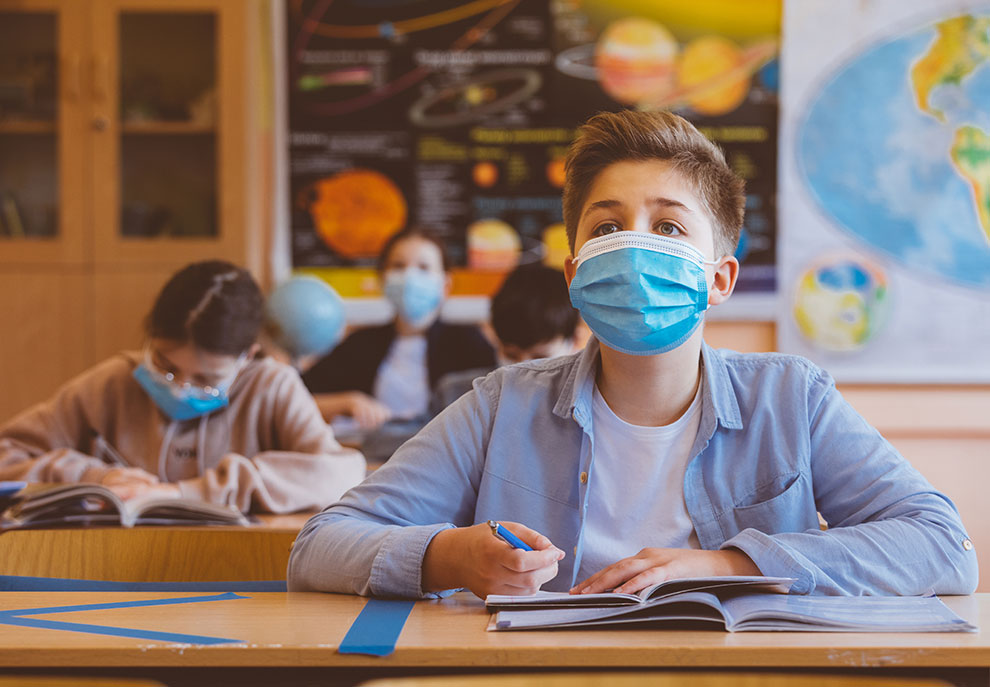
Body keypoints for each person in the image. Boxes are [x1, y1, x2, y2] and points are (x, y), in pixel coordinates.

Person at [288, 110, 977, 599]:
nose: (635, 244)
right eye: (608, 225)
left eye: (669, 225)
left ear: (719, 279)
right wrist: (448, 555)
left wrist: (726, 565)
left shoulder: (792, 398)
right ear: (575, 272)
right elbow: (320, 543)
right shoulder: (502, 404)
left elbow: (944, 547)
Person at [0, 260, 366, 513]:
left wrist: (191, 493)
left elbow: (341, 473)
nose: (179, 387)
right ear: (149, 338)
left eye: (206, 379)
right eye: (164, 365)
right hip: (108, 576)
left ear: (247, 357)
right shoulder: (111, 383)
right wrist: (93, 476)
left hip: (238, 581)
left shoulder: (271, 385)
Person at [304, 226, 496, 430]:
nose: (409, 276)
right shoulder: (359, 344)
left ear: (445, 284)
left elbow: (493, 410)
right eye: (398, 265)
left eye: (423, 267)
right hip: (375, 458)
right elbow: (299, 398)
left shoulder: (469, 344)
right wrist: (347, 402)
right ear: (382, 278)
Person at [432, 262, 581, 412]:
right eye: (511, 355)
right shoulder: (457, 396)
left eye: (540, 358)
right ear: (492, 337)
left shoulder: (587, 402)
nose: (524, 370)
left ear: (575, 340)